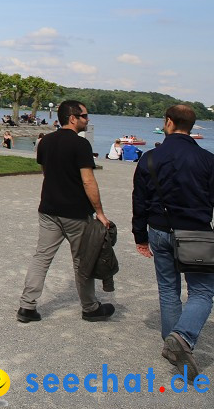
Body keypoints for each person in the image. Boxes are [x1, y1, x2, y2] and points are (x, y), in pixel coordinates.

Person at [132, 104, 214, 378]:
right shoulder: (207, 160)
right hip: (195, 232)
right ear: (191, 126)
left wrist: (139, 236)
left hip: (159, 228)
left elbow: (139, 201)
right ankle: (182, 338)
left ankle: (173, 341)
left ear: (168, 122)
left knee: (169, 289)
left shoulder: (150, 158)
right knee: (202, 291)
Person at [17, 100, 114, 323]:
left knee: (41, 257)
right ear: (72, 118)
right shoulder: (80, 145)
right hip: (76, 213)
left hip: (49, 208)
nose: (87, 120)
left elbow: (45, 172)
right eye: (85, 116)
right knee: (82, 260)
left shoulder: (46, 142)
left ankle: (27, 306)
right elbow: (88, 181)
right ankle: (90, 308)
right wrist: (99, 212)